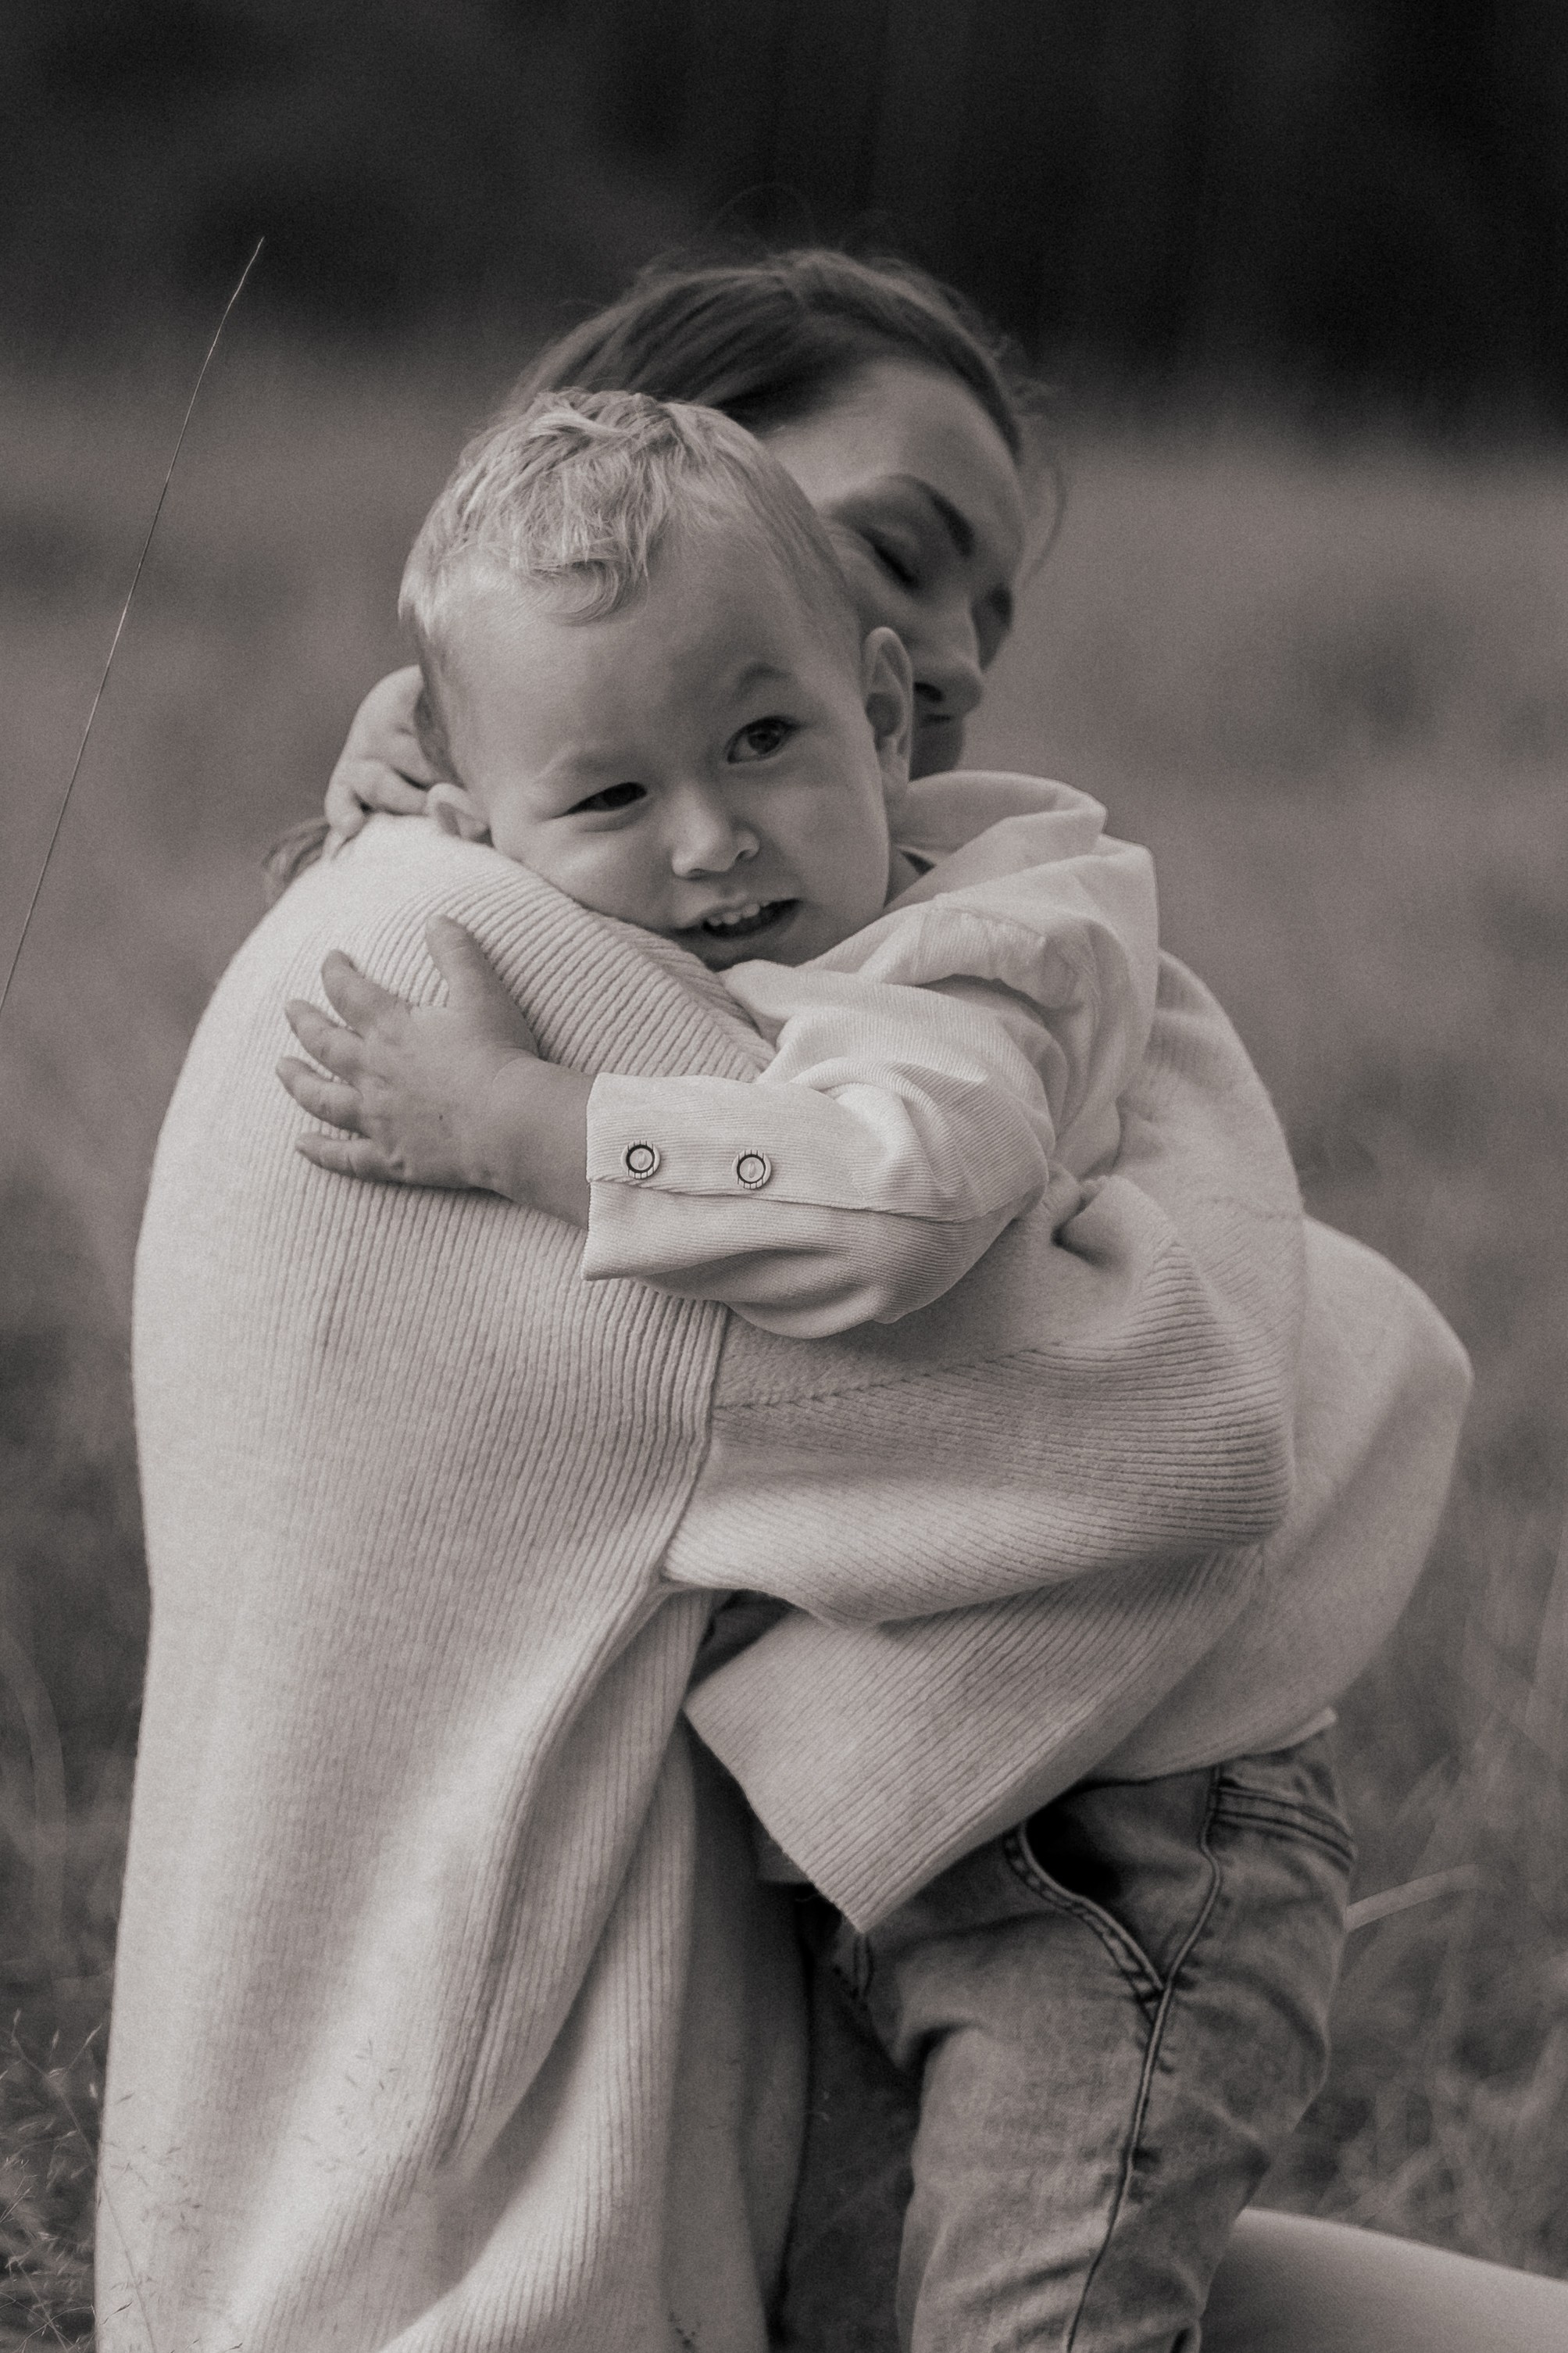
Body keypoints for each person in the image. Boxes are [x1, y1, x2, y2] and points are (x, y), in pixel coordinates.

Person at [102, 248, 1567, 2351]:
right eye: (901, 551)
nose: (955, 649)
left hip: (822, 2001)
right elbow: (1205, 1421)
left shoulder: (627, 932)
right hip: (542, 2246)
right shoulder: (504, 1004)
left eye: (979, 610)